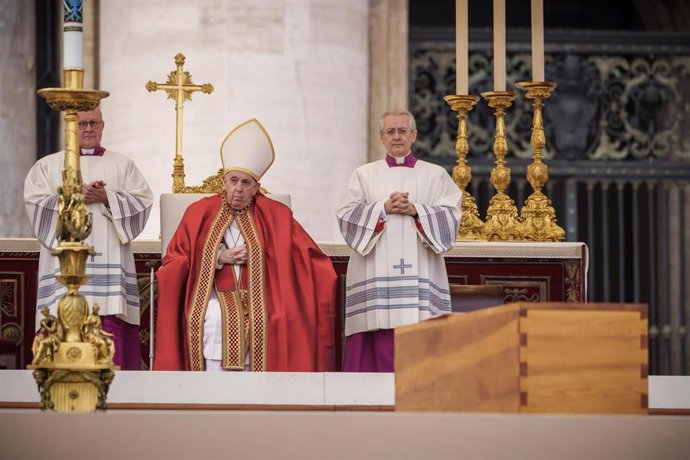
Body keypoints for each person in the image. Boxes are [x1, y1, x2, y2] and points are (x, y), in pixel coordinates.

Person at [154, 118, 336, 372]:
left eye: (246, 183)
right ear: (223, 181)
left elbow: (308, 257)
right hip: (213, 295)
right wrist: (217, 258)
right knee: (216, 315)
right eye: (233, 180)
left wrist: (266, 256)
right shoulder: (198, 213)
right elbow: (175, 260)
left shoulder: (277, 215)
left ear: (256, 188)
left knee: (277, 318)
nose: (238, 189)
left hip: (265, 295)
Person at [24, 106, 153, 370]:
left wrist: (108, 197)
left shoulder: (123, 165)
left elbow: (142, 202)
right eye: (82, 124)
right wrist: (73, 196)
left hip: (108, 287)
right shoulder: (47, 166)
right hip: (64, 276)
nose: (89, 129)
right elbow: (36, 204)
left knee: (108, 337)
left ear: (103, 126)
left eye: (94, 123)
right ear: (71, 128)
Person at [336, 109, 461, 372]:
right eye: (390, 131)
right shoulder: (363, 174)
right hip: (375, 271)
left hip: (421, 273)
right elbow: (346, 216)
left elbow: (451, 219)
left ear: (414, 135)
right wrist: (383, 208)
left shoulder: (436, 175)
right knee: (375, 327)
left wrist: (416, 210)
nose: (397, 137)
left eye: (402, 131)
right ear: (381, 137)